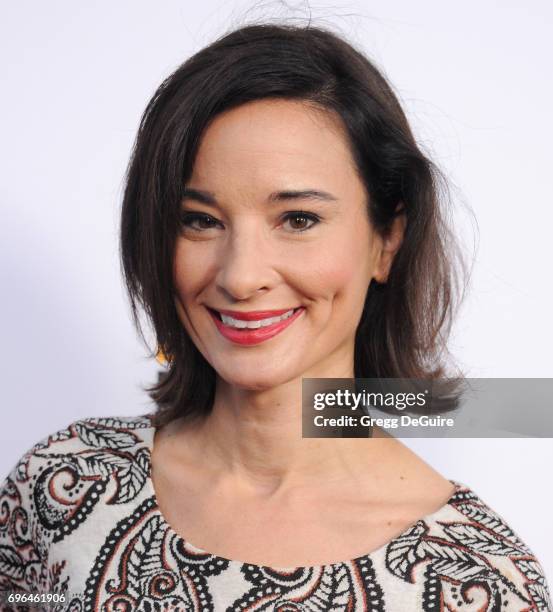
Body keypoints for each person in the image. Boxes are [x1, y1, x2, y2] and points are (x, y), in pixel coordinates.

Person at [1, 22, 551, 612]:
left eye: (298, 219)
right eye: (200, 220)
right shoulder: (62, 489)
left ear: (387, 239)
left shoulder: (477, 584)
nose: (240, 276)